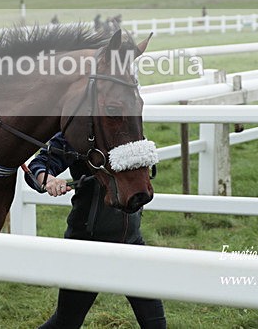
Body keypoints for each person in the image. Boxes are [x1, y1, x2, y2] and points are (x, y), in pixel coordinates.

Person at [24, 133, 166, 329]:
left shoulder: (130, 128)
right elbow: (38, 166)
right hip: (87, 246)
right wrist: (47, 179)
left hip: (131, 243)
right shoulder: (77, 133)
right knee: (66, 324)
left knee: (155, 324)